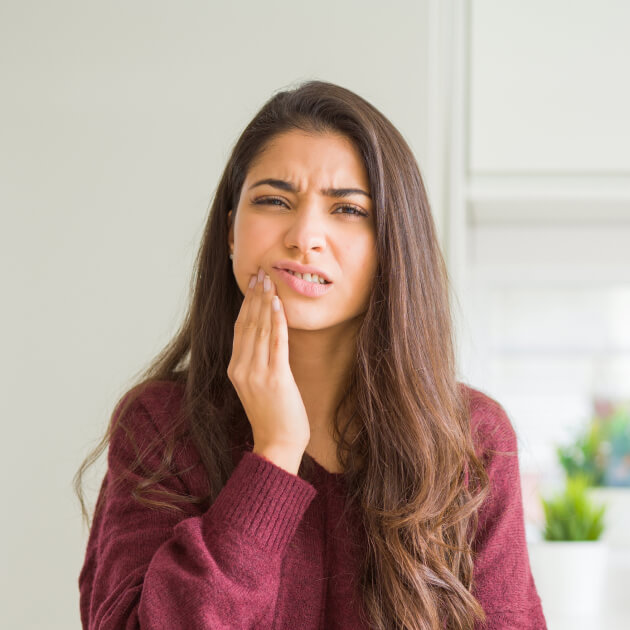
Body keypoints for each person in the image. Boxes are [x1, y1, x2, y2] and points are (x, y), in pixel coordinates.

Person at [75, 80, 547, 630]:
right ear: (231, 230)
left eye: (347, 209)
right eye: (274, 201)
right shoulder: (159, 427)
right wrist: (273, 458)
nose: (305, 237)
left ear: (392, 245)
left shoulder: (471, 439)